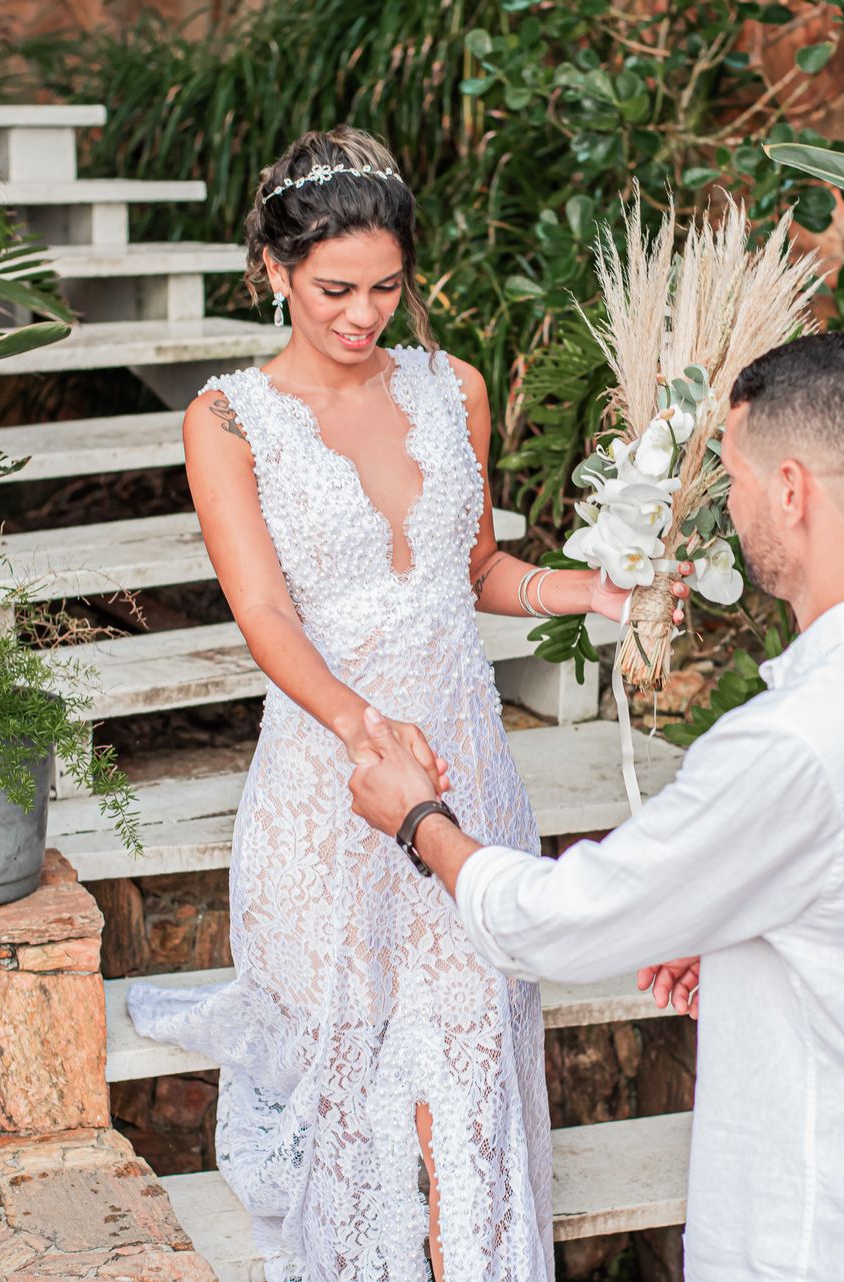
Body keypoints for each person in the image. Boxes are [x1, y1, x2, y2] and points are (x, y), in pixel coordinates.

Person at [347, 331, 844, 1280]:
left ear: (792, 490)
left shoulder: (796, 743)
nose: (729, 501)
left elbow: (555, 924)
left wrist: (419, 819)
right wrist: (742, 934)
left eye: (735, 476)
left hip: (825, 1240)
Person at [124, 127, 688, 1282]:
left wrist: (588, 589)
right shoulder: (228, 419)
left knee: (468, 1071)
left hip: (464, 779)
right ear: (274, 270)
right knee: (349, 1092)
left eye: (386, 287)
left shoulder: (452, 388)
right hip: (328, 790)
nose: (362, 314)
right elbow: (268, 618)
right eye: (335, 288)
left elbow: (473, 573)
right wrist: (359, 727)